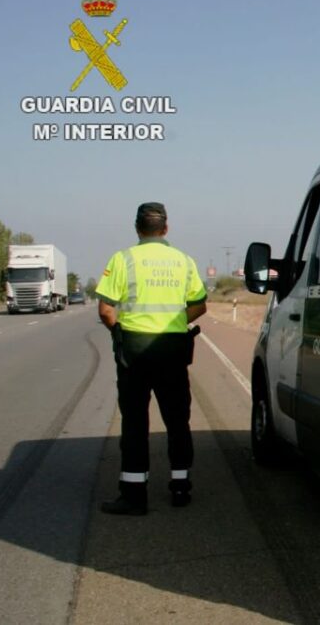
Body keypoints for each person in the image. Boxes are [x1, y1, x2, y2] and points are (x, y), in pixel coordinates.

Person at [95, 202, 207, 515]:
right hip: (172, 351)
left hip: (134, 353)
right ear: (166, 229)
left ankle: (133, 496)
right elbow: (199, 305)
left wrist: (120, 332)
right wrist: (174, 321)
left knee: (134, 422)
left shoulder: (122, 259)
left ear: (137, 228)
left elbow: (106, 310)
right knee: (177, 419)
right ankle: (181, 486)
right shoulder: (183, 261)